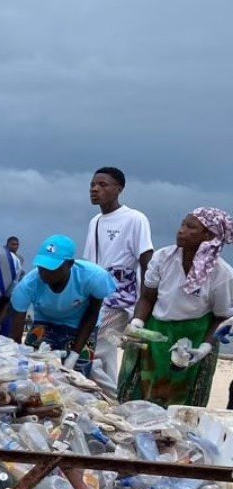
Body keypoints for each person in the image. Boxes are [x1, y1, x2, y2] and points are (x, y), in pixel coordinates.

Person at [118, 209, 233, 407]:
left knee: (182, 398)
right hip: (157, 331)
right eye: (183, 224)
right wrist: (137, 323)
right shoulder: (163, 258)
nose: (181, 231)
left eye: (191, 227)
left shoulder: (221, 274)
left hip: (195, 336)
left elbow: (222, 317)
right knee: (141, 393)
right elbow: (147, 297)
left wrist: (205, 348)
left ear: (209, 236)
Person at [83, 167, 153, 396]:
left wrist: (142, 308)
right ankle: (108, 399)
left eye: (103, 185)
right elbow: (89, 263)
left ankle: (114, 398)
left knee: (93, 353)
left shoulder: (135, 219)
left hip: (119, 300)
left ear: (119, 189)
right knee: (105, 357)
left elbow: (146, 261)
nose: (95, 189)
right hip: (96, 298)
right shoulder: (95, 221)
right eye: (93, 184)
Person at [8, 234, 117, 376]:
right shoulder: (28, 285)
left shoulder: (93, 277)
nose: (44, 273)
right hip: (45, 321)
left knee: (76, 376)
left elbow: (92, 313)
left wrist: (74, 355)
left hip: (81, 324)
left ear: (70, 264)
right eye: (41, 266)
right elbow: (16, 334)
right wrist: (19, 359)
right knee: (34, 368)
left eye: (51, 268)